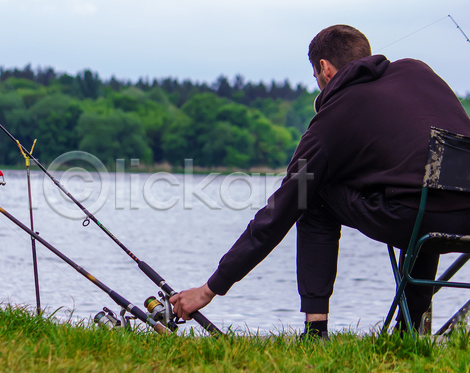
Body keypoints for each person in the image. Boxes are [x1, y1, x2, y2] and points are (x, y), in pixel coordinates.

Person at [169, 24, 470, 337]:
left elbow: (279, 212)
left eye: (316, 76)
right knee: (429, 191)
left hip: (417, 219)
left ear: (325, 68)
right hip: (464, 216)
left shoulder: (334, 115)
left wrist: (209, 289)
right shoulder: (418, 71)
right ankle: (409, 331)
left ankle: (316, 332)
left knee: (313, 197)